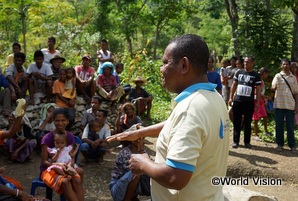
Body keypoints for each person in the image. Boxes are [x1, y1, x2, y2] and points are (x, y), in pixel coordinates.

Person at [108, 34, 230, 201]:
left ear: (184, 65)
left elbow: (175, 177)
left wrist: (143, 163)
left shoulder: (190, 109)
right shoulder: (213, 98)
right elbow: (177, 124)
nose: (161, 69)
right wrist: (140, 132)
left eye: (165, 63)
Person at [40, 108, 84, 201]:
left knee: (77, 178)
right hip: (48, 169)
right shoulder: (47, 138)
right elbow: (44, 162)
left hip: (65, 167)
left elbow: (71, 156)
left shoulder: (70, 136)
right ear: (53, 121)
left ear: (68, 121)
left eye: (63, 120)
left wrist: (69, 166)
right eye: (57, 120)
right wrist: (58, 165)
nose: (60, 123)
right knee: (64, 181)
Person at [229, 56, 261, 149]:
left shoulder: (256, 75)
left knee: (248, 122)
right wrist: (231, 98)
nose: (246, 63)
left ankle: (247, 141)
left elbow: (258, 90)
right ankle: (236, 141)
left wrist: (258, 102)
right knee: (236, 121)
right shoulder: (238, 72)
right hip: (238, 101)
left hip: (249, 102)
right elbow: (234, 85)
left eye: (248, 62)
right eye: (245, 62)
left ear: (252, 63)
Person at [109, 137, 150, 201]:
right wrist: (141, 150)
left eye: (143, 139)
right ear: (133, 141)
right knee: (136, 173)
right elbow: (135, 170)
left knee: (151, 173)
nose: (143, 142)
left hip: (126, 185)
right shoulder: (125, 152)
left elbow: (151, 165)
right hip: (117, 187)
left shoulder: (144, 153)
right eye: (140, 140)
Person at [271, 58, 298, 152]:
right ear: (281, 66)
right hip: (279, 104)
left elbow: (296, 93)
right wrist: (274, 87)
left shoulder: (293, 77)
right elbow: (273, 86)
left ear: (289, 65)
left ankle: (292, 145)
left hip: (290, 104)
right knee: (279, 126)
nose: (285, 66)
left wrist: (297, 105)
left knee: (290, 126)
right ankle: (279, 144)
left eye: (287, 64)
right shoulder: (277, 76)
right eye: (283, 64)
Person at [252, 67, 272, 139]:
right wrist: (266, 97)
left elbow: (261, 92)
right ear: (264, 73)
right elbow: (257, 93)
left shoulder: (262, 80)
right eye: (267, 74)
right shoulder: (257, 80)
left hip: (261, 101)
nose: (267, 76)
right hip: (255, 100)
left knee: (264, 116)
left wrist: (264, 99)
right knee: (256, 118)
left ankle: (266, 131)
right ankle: (256, 134)